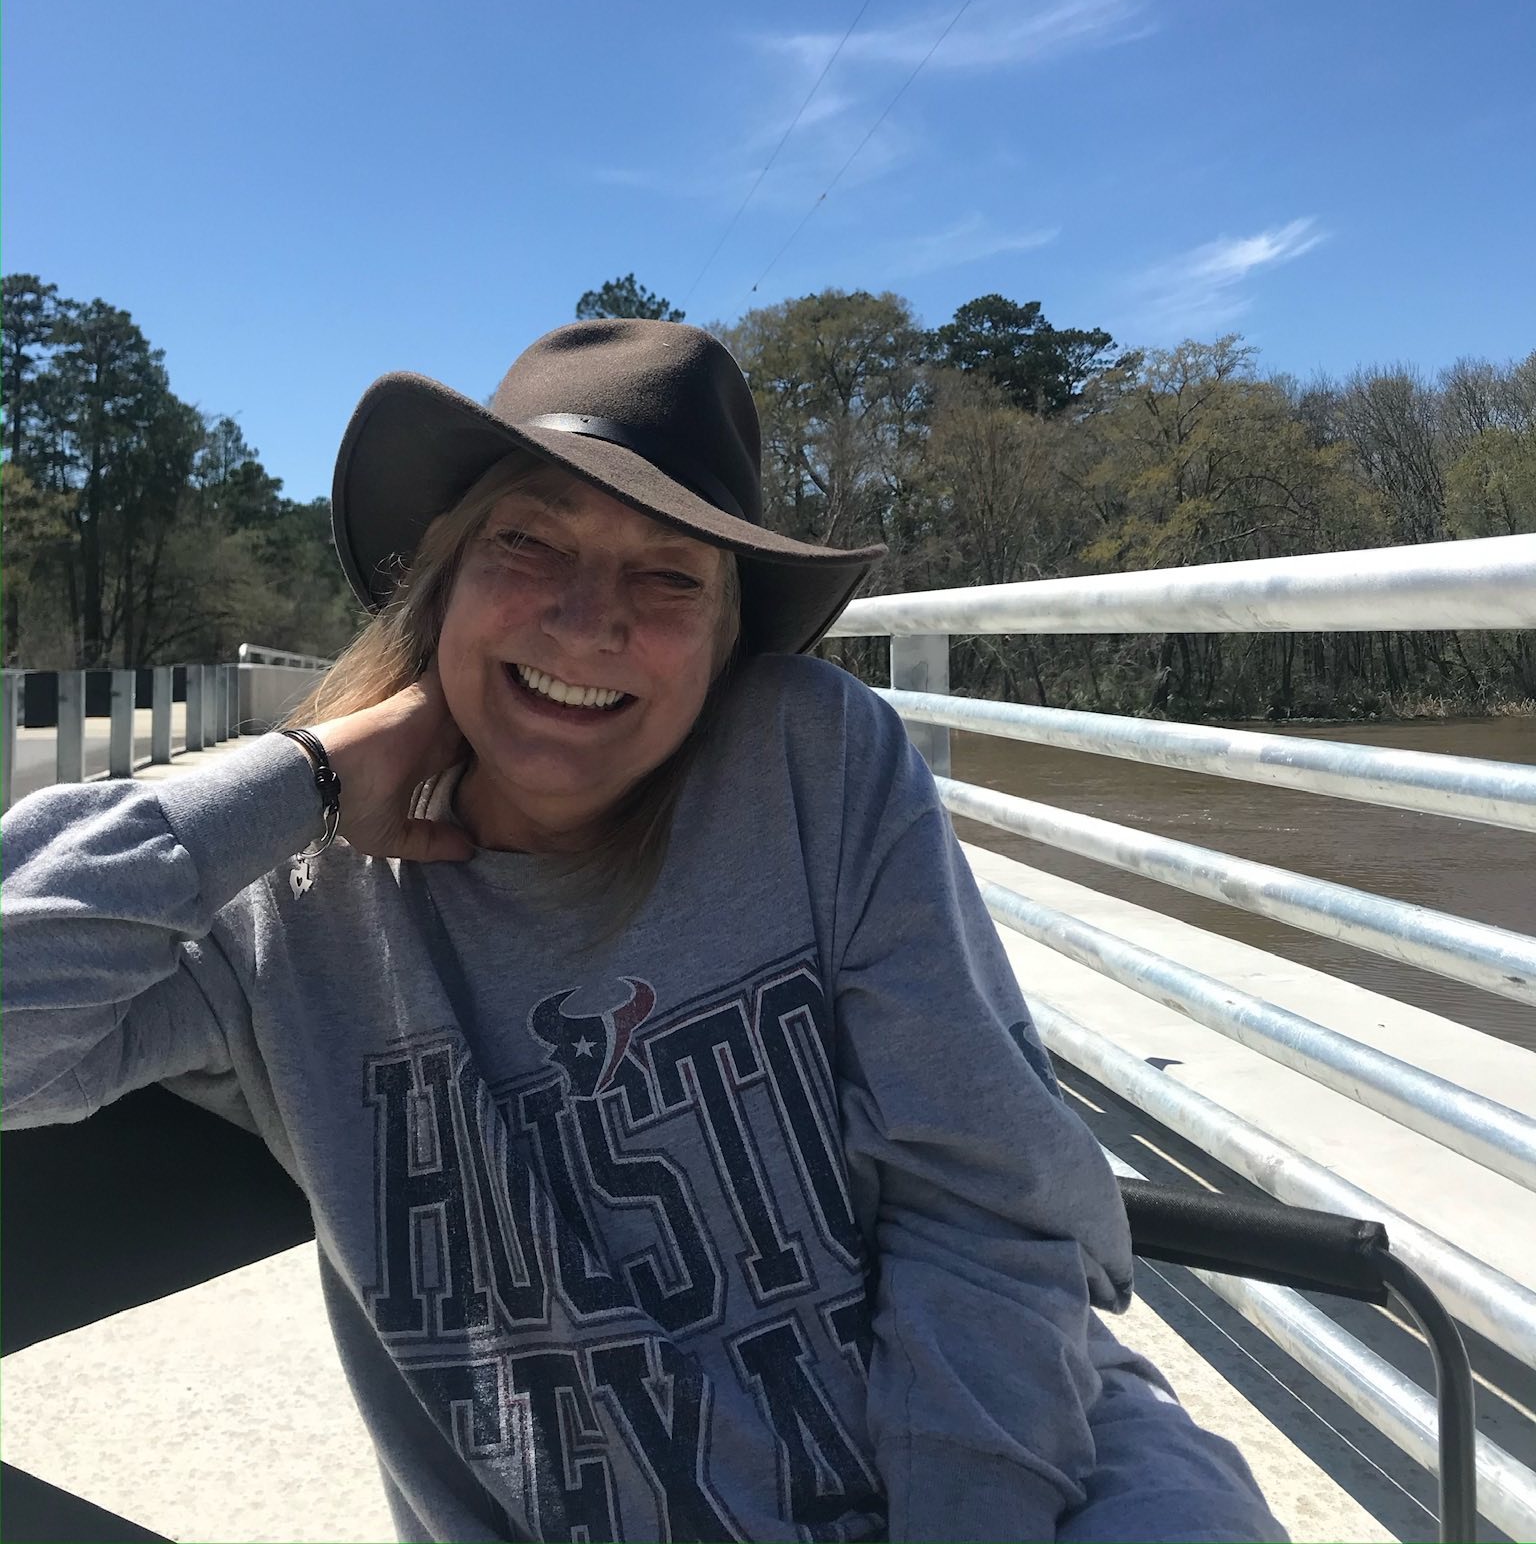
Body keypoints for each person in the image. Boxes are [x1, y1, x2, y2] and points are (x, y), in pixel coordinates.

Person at [1, 320, 1284, 1544]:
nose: (587, 617)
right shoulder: (288, 901)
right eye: (527, 542)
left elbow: (988, 1206)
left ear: (726, 642)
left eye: (668, 572)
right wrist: (311, 771)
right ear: (440, 582)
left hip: (1036, 1479)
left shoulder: (807, 760)